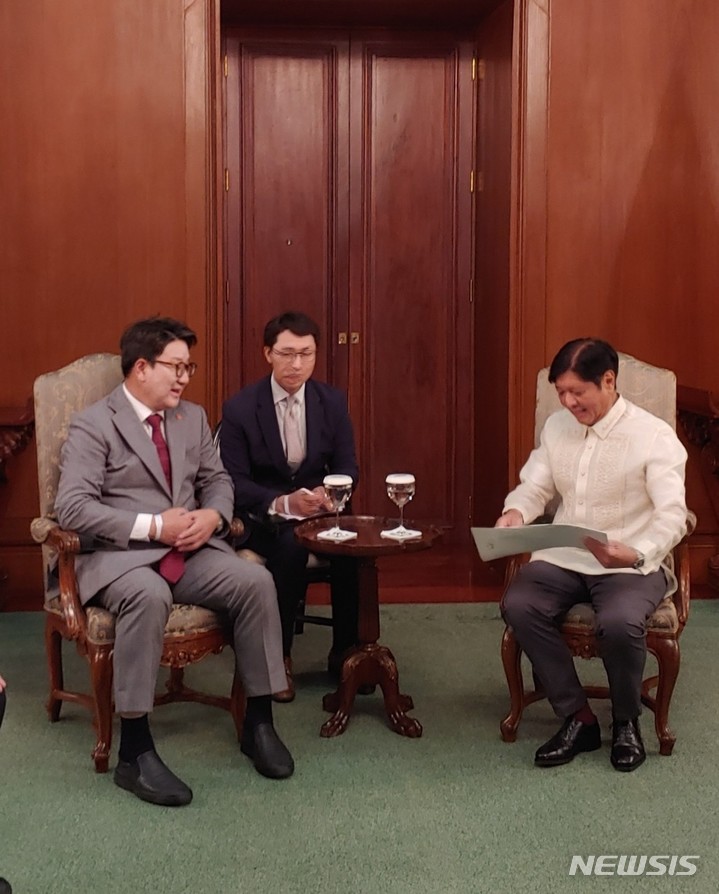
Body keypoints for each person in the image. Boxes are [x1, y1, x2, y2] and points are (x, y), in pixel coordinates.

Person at [55, 317, 294, 807]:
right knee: (148, 593)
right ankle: (135, 750)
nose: (185, 377)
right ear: (141, 368)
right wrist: (152, 526)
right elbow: (73, 508)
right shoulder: (94, 424)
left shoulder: (192, 418)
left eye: (190, 366)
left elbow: (219, 480)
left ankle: (259, 723)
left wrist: (212, 515)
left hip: (191, 549)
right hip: (122, 558)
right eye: (176, 366)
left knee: (255, 581)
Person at [497, 338, 688, 772]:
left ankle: (626, 722)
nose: (566, 402)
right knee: (519, 603)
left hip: (630, 562)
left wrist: (637, 551)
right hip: (566, 556)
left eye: (576, 392)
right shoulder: (557, 427)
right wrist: (516, 511)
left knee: (619, 623)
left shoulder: (653, 435)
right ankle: (578, 717)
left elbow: (673, 514)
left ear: (608, 380)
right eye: (559, 392)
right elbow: (536, 486)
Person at [220, 311, 360, 701]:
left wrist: (330, 493)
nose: (297, 364)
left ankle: (347, 653)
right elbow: (230, 481)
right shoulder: (241, 409)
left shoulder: (332, 401)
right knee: (290, 548)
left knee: (352, 548)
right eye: (286, 353)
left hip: (320, 512)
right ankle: (278, 656)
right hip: (264, 518)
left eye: (306, 354)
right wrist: (282, 502)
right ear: (268, 353)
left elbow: (348, 466)